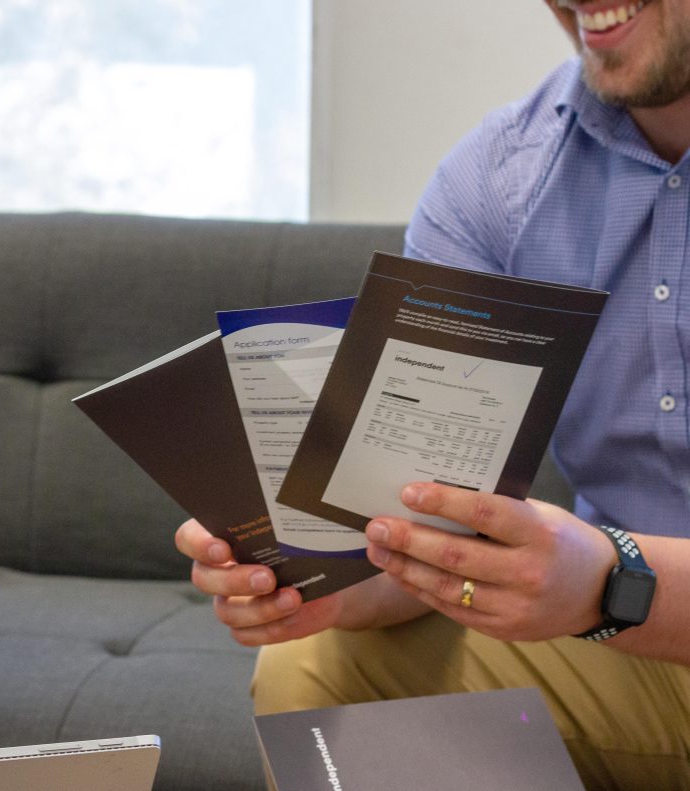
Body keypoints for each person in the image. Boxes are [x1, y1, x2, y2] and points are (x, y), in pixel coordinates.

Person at [177, 0, 690, 787]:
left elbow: (598, 584)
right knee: (314, 667)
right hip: (633, 645)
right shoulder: (500, 180)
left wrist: (608, 581)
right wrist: (327, 587)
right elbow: (426, 521)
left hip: (632, 605)